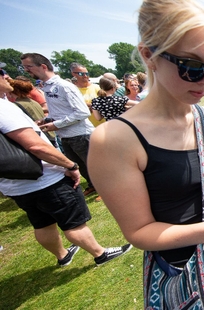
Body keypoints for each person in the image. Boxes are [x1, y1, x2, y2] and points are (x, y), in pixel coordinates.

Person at [87, 1, 204, 308]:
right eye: (191, 67)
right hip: (179, 274)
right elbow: (139, 231)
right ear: (149, 55)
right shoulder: (114, 139)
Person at [0, 78, 132, 267]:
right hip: (45, 178)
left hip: (16, 184)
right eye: (1, 73)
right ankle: (100, 254)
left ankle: (62, 255)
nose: (6, 77)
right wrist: (70, 165)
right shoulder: (3, 108)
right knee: (73, 222)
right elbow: (35, 145)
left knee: (41, 222)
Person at [20, 53, 97, 197]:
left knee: (93, 165)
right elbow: (61, 111)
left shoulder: (64, 86)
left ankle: (104, 187)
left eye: (28, 66)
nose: (26, 70)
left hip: (81, 134)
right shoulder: (48, 87)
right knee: (80, 165)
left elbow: (82, 112)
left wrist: (57, 124)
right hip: (65, 135)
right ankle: (94, 186)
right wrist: (47, 120)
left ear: (43, 66)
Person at [70, 63, 104, 128]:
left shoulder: (97, 87)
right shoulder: (72, 90)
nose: (85, 76)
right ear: (73, 74)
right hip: (84, 128)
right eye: (81, 74)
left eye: (87, 73)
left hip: (101, 125)